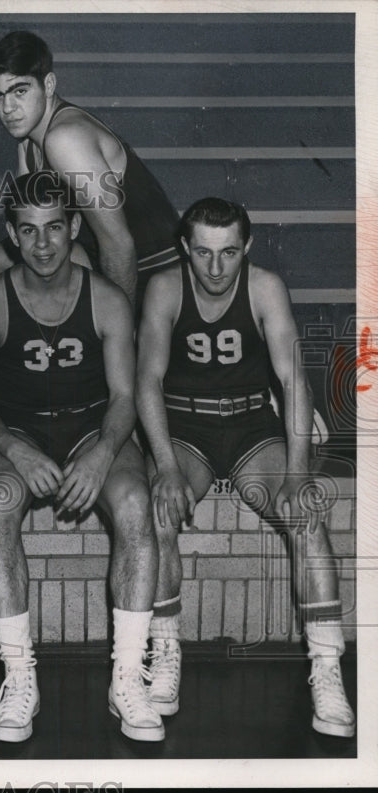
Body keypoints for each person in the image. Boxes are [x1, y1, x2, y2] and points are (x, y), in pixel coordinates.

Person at [136, 197, 356, 738]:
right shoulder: (165, 288)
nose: (215, 269)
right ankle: (166, 654)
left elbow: (293, 380)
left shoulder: (264, 287)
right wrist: (164, 465)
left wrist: (299, 470)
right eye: (204, 253)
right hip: (185, 429)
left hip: (252, 425)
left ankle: (327, 669)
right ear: (185, 247)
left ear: (247, 248)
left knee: (307, 515)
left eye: (229, 253)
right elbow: (146, 382)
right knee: (157, 510)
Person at [0, 171, 163, 743]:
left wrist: (103, 454)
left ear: (74, 227)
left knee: (133, 504)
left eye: (55, 228)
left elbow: (125, 399)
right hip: (18, 432)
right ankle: (19, 675)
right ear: (13, 235)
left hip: (89, 430)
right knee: (0, 503)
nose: (44, 244)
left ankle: (127, 676)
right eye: (29, 232)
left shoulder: (106, 299)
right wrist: (12, 448)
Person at [0, 30, 181, 305]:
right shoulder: (27, 142)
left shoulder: (66, 138)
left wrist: (119, 330)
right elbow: (28, 224)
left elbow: (119, 245)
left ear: (48, 85)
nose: (7, 108)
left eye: (20, 91)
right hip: (96, 256)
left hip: (154, 273)